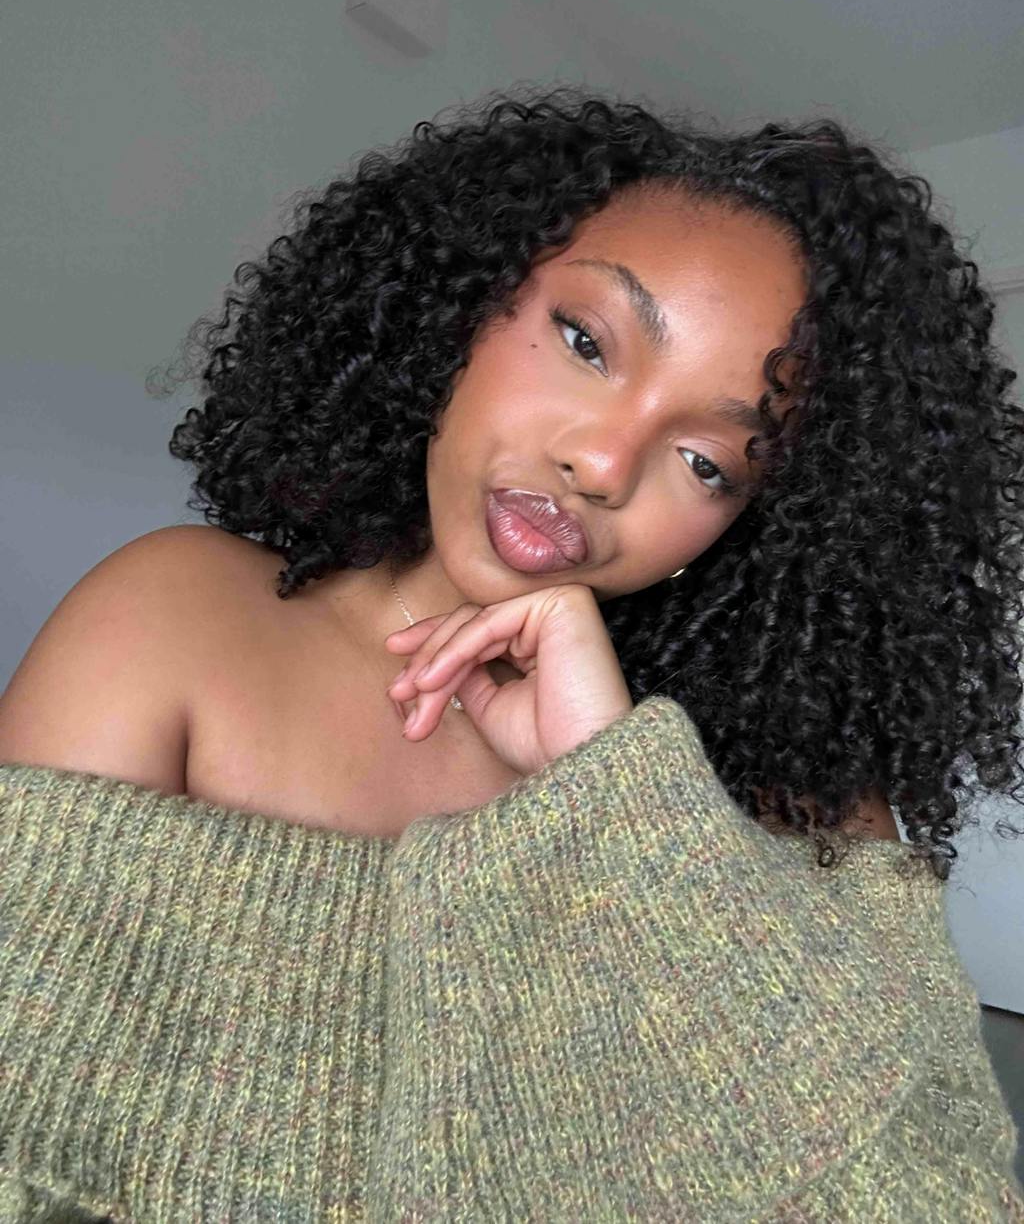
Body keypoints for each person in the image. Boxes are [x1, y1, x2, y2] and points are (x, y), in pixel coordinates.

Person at [1, 85, 1022, 1219]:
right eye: (586, 342)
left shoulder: (798, 807)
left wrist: (619, 801)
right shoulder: (178, 620)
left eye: (709, 464)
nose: (604, 463)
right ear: (461, 309)